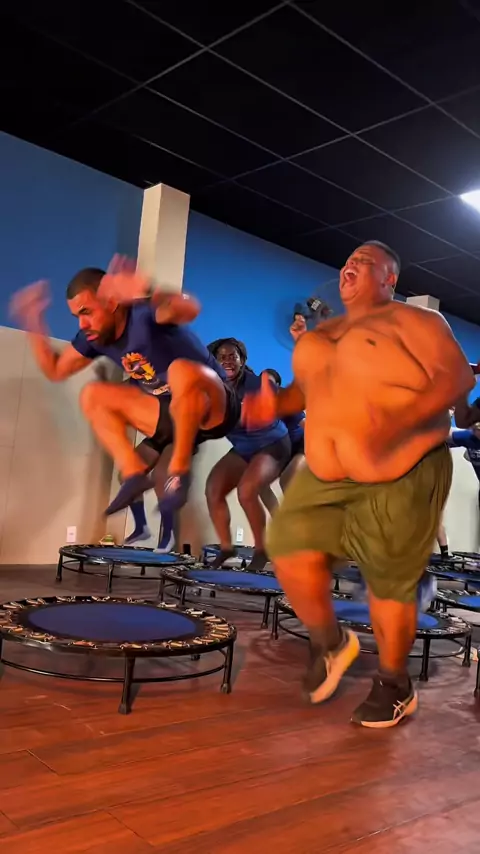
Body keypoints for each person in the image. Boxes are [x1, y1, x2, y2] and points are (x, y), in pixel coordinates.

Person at [242, 240, 474, 728]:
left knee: (388, 583)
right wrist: (273, 404)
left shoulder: (416, 321)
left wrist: (396, 425)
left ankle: (394, 683)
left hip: (402, 470)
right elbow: (302, 394)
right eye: (348, 261)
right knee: (288, 548)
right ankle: (331, 643)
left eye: (364, 263)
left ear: (390, 279)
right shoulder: (320, 337)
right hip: (326, 476)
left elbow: (456, 380)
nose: (350, 267)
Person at [10, 256, 242, 517]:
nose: (82, 325)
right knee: (92, 395)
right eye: (77, 317)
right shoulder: (94, 338)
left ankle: (179, 471)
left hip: (215, 406)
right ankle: (134, 474)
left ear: (111, 302)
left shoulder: (144, 313)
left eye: (87, 312)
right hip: (171, 414)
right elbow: (55, 370)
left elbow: (190, 308)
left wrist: (149, 289)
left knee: (180, 370)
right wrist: (33, 321)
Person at [205, 338, 291, 570]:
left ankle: (262, 550)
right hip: (244, 448)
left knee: (247, 491)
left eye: (232, 356)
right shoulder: (212, 388)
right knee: (213, 488)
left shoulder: (255, 384)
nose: (227, 361)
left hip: (273, 444)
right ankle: (226, 548)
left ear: (242, 360)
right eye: (221, 357)